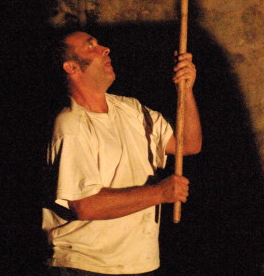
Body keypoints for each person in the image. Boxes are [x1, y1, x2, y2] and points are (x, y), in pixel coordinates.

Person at [42, 31, 202, 275]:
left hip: (137, 263)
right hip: (87, 266)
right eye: (91, 46)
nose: (104, 49)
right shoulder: (71, 124)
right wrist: (159, 193)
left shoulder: (132, 109)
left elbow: (188, 144)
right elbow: (84, 205)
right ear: (71, 67)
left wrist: (186, 91)